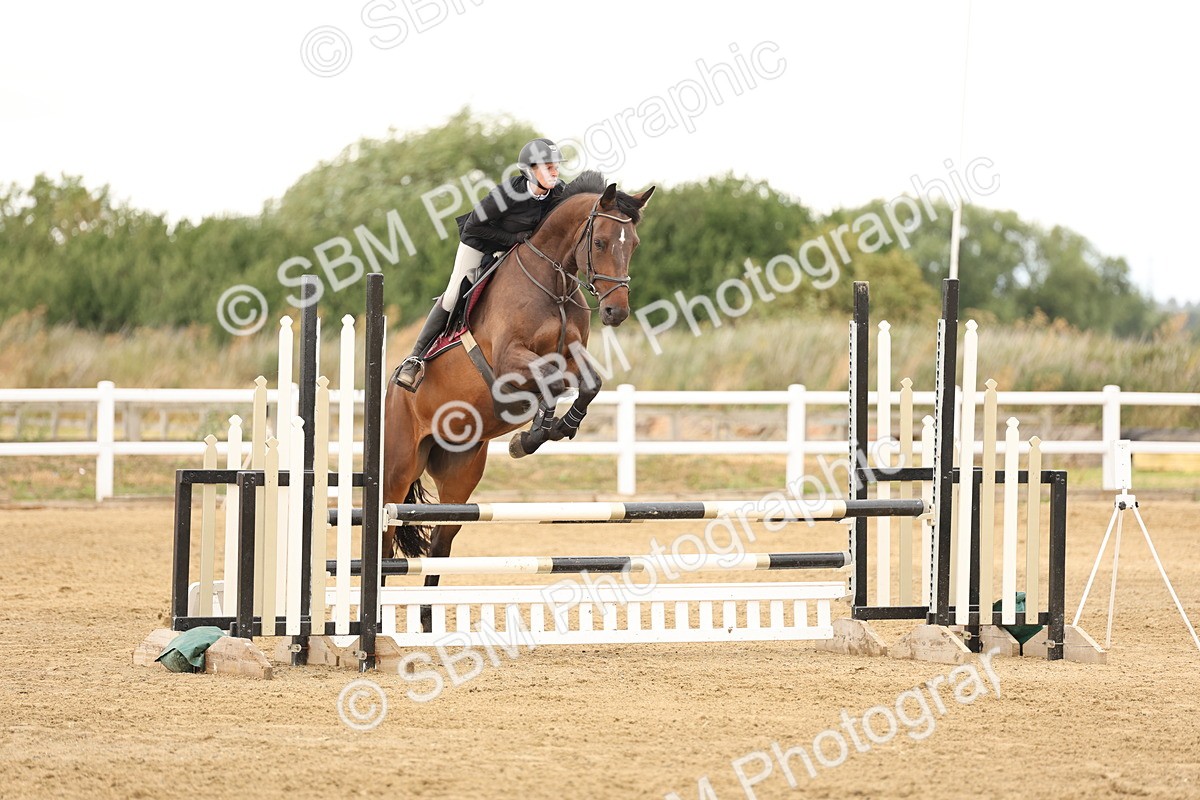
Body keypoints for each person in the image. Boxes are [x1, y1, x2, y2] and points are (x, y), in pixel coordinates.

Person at [394, 137, 567, 391]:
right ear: (530, 170)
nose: (555, 171)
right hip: (478, 243)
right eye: (548, 166)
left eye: (556, 166)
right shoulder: (507, 194)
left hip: (516, 251)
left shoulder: (558, 192)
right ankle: (414, 358)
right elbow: (475, 226)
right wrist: (513, 238)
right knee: (454, 294)